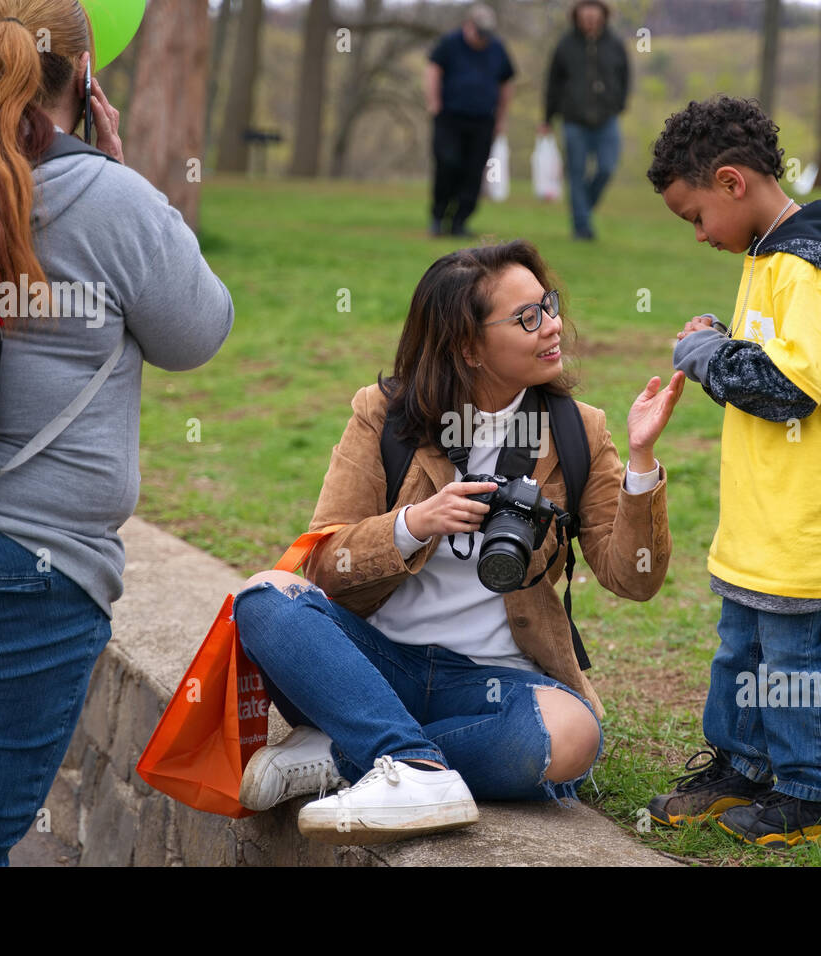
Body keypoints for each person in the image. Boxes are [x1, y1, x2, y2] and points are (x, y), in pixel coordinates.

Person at [0, 0, 233, 866]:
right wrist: (128, 181)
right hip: (12, 580)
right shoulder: (110, 196)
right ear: (85, 76)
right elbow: (197, 333)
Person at [232, 240, 683, 844]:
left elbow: (634, 579)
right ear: (468, 346)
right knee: (265, 597)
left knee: (574, 738)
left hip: (492, 684)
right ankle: (410, 760)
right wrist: (414, 523)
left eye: (547, 306)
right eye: (527, 318)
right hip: (376, 663)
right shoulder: (385, 415)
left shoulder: (579, 430)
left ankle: (350, 754)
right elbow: (325, 564)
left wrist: (641, 463)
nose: (553, 327)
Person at [645, 96, 821, 847]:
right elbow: (776, 356)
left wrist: (704, 355)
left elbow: (792, 385)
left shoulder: (802, 264)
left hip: (806, 514)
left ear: (731, 183)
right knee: (742, 648)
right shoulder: (769, 253)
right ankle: (742, 767)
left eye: (695, 216)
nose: (698, 235)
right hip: (764, 518)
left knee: (791, 658)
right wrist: (722, 340)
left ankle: (808, 791)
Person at [540, 0, 629, 240]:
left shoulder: (615, 44)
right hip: (574, 119)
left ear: (603, 15)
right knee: (576, 173)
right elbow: (553, 83)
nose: (589, 17)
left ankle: (582, 211)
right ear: (577, 16)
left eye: (594, 13)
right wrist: (547, 117)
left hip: (607, 118)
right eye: (585, 13)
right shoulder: (565, 45)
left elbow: (624, 76)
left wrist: (619, 104)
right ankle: (582, 228)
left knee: (607, 167)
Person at [425, 3, 514, 237]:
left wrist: (501, 118)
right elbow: (433, 69)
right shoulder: (449, 44)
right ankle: (438, 216)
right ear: (468, 25)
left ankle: (459, 221)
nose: (482, 39)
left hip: (483, 120)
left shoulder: (497, 49)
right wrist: (434, 102)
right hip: (450, 117)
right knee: (448, 163)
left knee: (473, 171)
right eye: (478, 33)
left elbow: (506, 82)